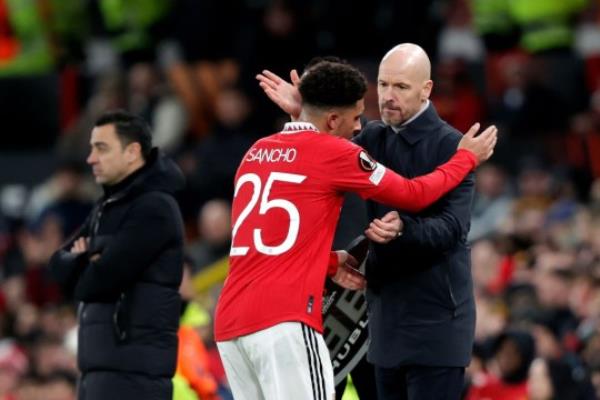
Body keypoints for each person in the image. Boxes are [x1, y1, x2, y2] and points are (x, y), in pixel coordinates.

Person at [216, 60, 496, 400]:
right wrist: (465, 158)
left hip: (230, 324)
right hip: (283, 322)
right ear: (333, 120)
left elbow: (270, 241)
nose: (360, 126)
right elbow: (414, 193)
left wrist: (331, 263)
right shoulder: (335, 152)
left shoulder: (255, 151)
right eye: (356, 116)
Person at [48, 110, 185, 400]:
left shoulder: (155, 208)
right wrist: (92, 257)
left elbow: (96, 283)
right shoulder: (105, 206)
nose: (91, 159)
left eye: (102, 148)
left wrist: (86, 259)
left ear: (132, 152)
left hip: (134, 378)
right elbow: (56, 268)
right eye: (91, 148)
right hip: (99, 374)